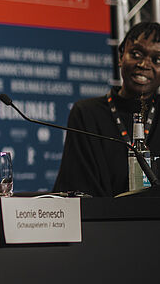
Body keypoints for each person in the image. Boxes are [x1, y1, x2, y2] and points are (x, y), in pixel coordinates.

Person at [54, 22, 160, 196]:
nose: (144, 64)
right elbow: (78, 189)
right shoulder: (87, 113)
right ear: (120, 56)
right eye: (136, 54)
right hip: (104, 221)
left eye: (157, 60)